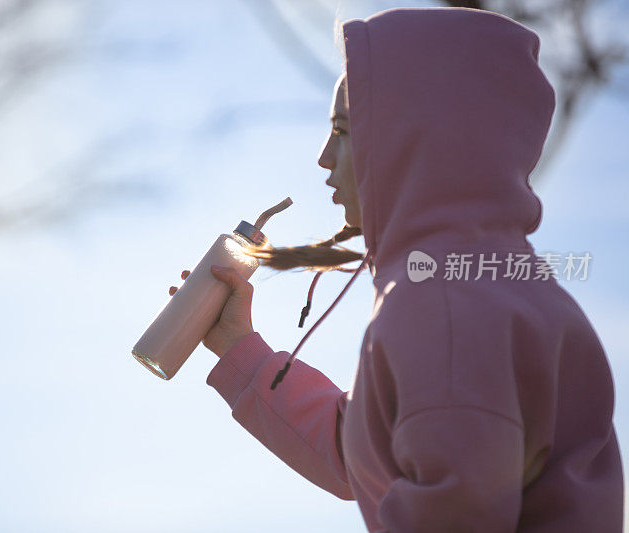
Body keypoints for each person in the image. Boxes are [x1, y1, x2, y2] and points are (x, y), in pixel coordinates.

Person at [170, 7, 623, 531]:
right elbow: (364, 452)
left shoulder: (448, 306)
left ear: (418, 137)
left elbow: (454, 510)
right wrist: (237, 346)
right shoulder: (476, 283)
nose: (323, 157)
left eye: (342, 129)